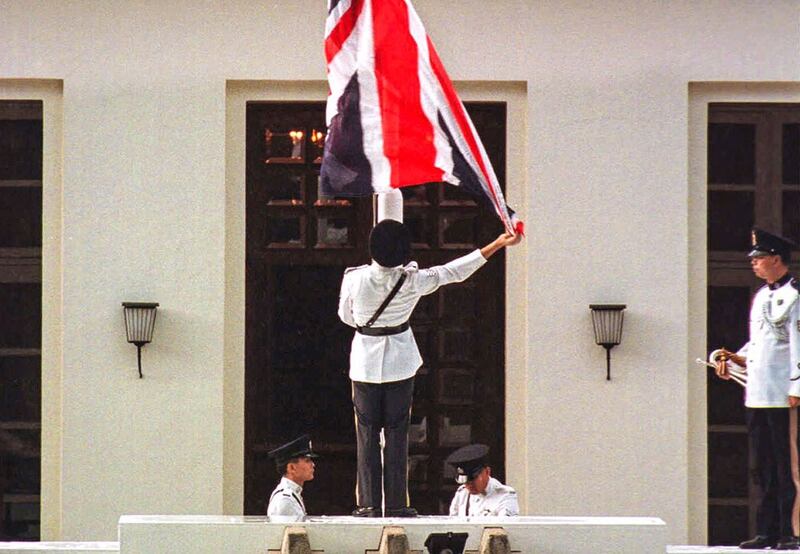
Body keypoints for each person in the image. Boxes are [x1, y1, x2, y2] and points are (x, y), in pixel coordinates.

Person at [338, 219, 522, 517]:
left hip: (364, 364)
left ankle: (369, 504)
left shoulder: (354, 279)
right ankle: (396, 504)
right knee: (397, 436)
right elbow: (454, 271)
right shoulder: (412, 280)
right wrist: (498, 244)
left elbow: (347, 317)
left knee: (367, 436)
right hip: (400, 363)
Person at [713, 228, 800, 550]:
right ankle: (766, 531)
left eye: (760, 258)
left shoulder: (795, 295)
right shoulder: (761, 296)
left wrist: (797, 386)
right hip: (758, 391)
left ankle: (789, 532)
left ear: (776, 259)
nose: (754, 264)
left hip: (782, 392)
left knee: (785, 465)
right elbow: (760, 341)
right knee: (762, 466)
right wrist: (737, 357)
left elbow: (799, 345)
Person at [445, 443, 519, 517]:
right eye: (465, 481)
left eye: (473, 479)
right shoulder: (462, 494)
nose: (469, 485)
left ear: (487, 472)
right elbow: (453, 522)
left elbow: (505, 526)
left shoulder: (504, 495)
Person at [266, 434, 318, 521]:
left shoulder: (292, 495)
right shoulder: (285, 499)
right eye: (307, 461)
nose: (313, 465)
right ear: (291, 468)